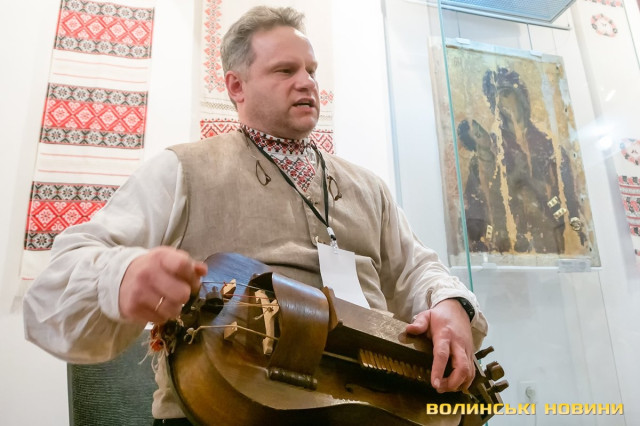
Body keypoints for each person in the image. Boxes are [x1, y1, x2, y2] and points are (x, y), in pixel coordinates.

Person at [23, 6, 488, 425]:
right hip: (225, 412)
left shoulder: (368, 187)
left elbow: (416, 269)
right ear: (236, 86)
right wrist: (122, 274)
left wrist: (451, 304)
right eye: (285, 70)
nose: (307, 82)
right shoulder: (182, 170)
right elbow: (56, 283)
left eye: (311, 70)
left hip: (377, 411)